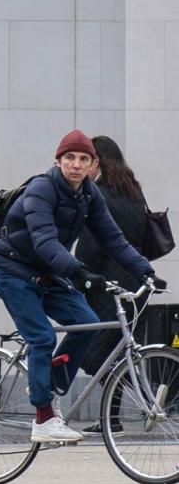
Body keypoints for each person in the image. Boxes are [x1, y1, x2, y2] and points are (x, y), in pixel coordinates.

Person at [0, 129, 167, 443]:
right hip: (12, 269)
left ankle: (48, 383)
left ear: (93, 163)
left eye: (84, 159)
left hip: (46, 272)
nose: (76, 164)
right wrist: (80, 273)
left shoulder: (89, 195)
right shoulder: (42, 189)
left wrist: (145, 271)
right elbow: (44, 241)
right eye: (70, 157)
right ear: (58, 160)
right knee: (42, 337)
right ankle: (43, 420)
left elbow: (114, 239)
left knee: (88, 323)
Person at [74, 136, 150, 434]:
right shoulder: (133, 191)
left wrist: (80, 277)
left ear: (98, 161)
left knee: (93, 355)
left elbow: (90, 247)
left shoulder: (98, 195)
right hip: (135, 282)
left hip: (107, 285)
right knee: (116, 353)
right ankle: (113, 418)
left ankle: (148, 394)